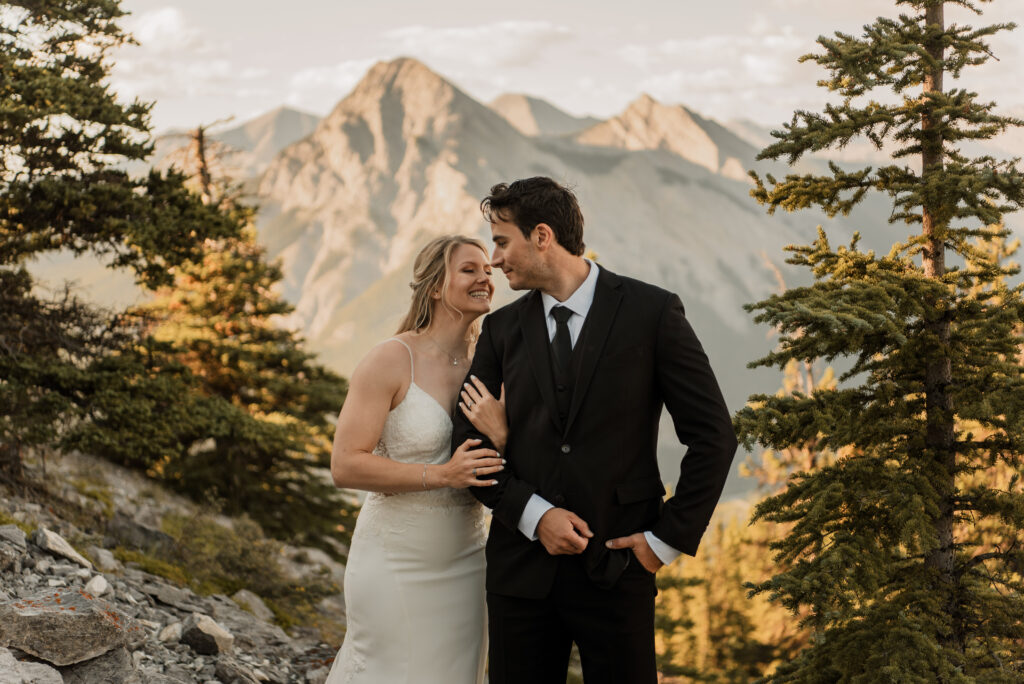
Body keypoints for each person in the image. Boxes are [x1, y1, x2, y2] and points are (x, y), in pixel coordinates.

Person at [452, 177, 738, 684]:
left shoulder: (653, 313)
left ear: (542, 236)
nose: (495, 260)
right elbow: (466, 447)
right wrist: (535, 516)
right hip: (520, 573)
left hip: (621, 566)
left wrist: (665, 541)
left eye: (501, 241)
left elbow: (714, 434)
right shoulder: (501, 330)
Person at [326, 235, 508, 684]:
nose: (485, 277)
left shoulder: (492, 360)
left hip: (468, 560)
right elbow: (345, 464)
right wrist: (443, 474)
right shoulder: (391, 359)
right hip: (394, 562)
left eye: (487, 269)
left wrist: (503, 431)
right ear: (433, 286)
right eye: (469, 269)